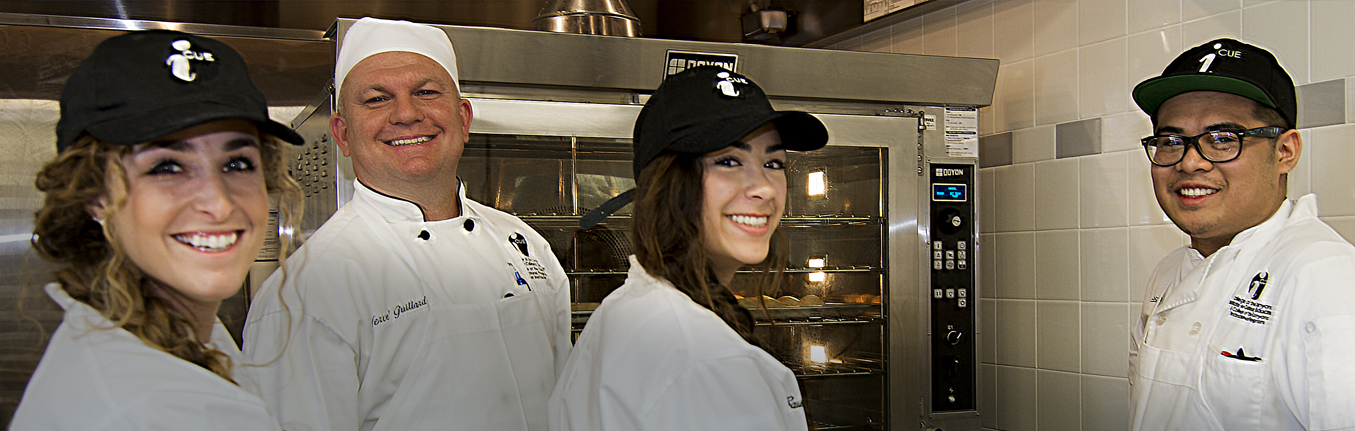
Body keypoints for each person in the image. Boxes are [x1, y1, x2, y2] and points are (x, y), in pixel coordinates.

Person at [241, 17, 571, 431]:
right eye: (377, 99)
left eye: (426, 92)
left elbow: (566, 405)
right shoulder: (306, 294)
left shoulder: (525, 243)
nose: (406, 114)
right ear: (342, 134)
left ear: (464, 117)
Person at [12, 30, 304, 429]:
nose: (219, 203)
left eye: (237, 164)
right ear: (94, 195)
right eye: (166, 167)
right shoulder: (154, 409)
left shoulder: (173, 337)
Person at [550, 65, 827, 430]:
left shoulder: (625, 311)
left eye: (772, 163)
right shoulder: (710, 362)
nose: (765, 188)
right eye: (729, 161)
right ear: (668, 184)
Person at [1128, 38, 1355, 430]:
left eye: (1223, 139)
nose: (1190, 162)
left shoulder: (1323, 276)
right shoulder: (1171, 271)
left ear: (1285, 152)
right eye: (1171, 141)